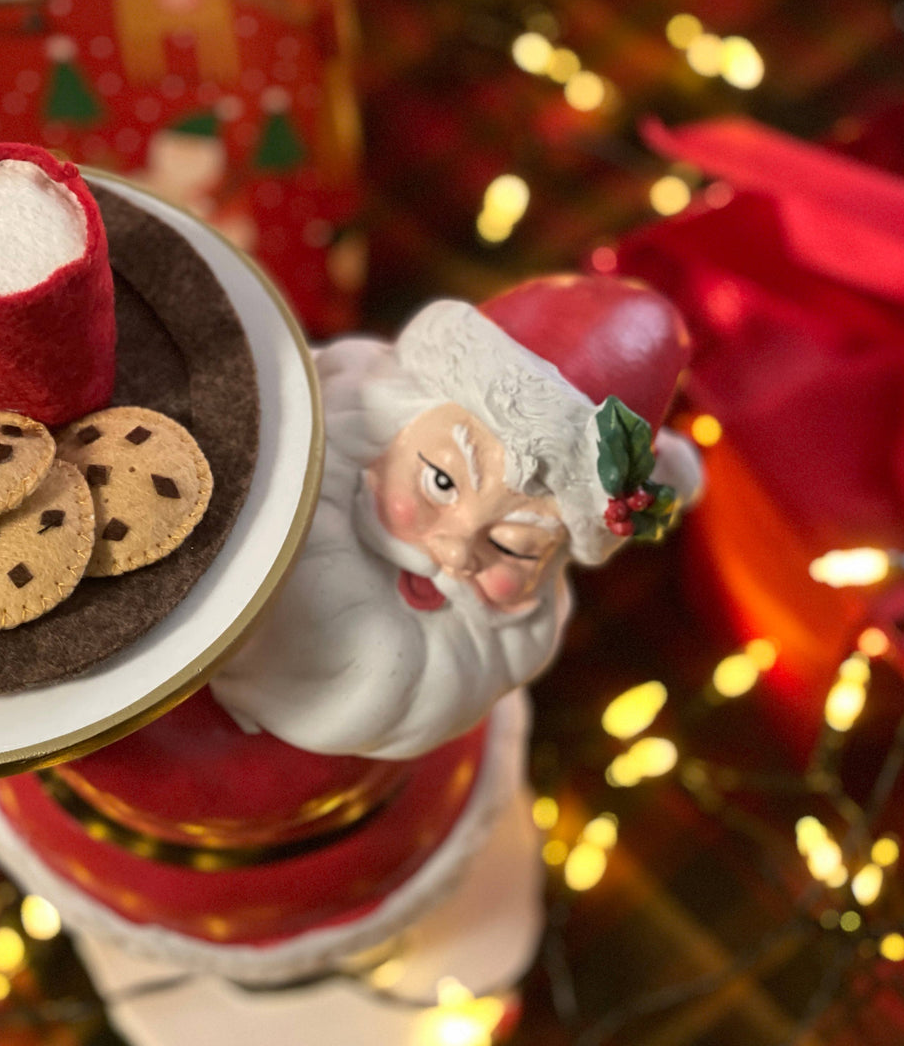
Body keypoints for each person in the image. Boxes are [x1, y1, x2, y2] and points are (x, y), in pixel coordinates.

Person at [214, 275, 702, 759]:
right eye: (439, 482)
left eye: (513, 545)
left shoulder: (478, 752)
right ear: (381, 425)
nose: (454, 551)